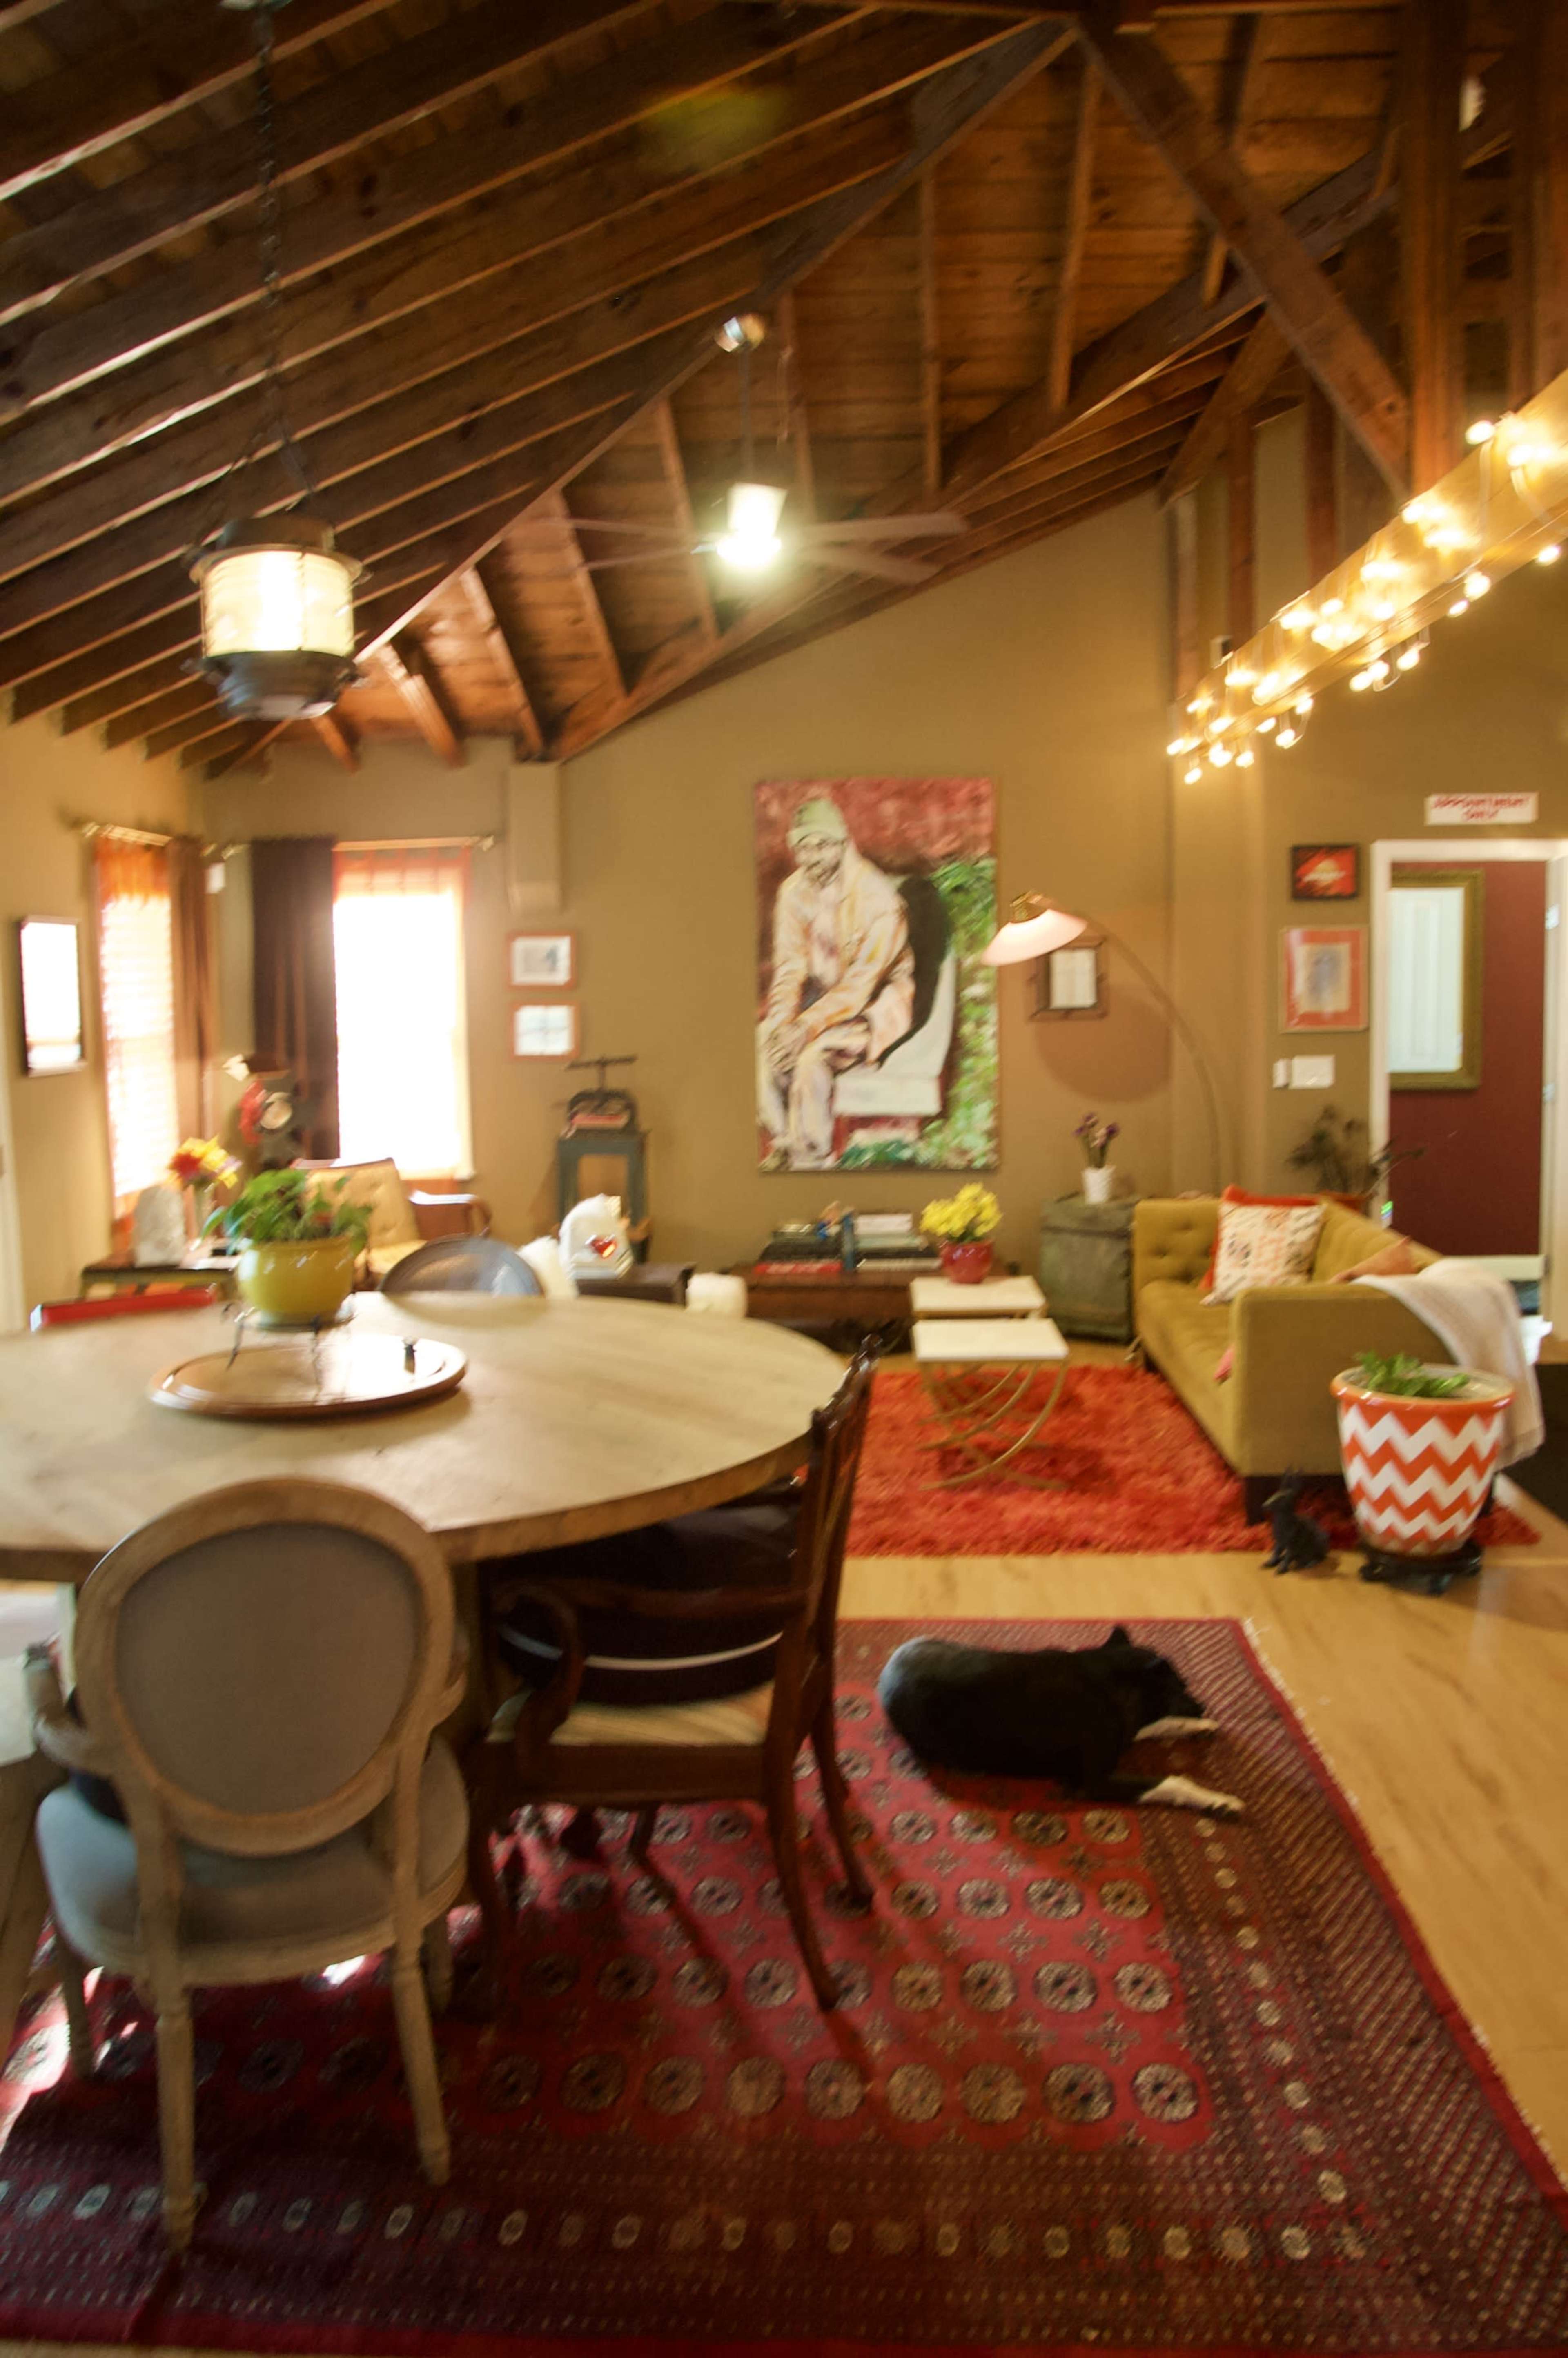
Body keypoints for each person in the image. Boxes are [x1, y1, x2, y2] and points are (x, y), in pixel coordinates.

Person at [758, 796, 915, 1169]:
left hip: (875, 1008)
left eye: (822, 846)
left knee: (812, 1060)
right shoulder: (793, 891)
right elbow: (790, 967)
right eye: (803, 848)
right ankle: (784, 1144)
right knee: (762, 1040)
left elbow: (861, 987)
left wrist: (805, 1028)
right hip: (819, 1006)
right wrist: (783, 1025)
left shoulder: (878, 898)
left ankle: (812, 1160)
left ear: (843, 844)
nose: (812, 858)